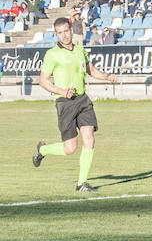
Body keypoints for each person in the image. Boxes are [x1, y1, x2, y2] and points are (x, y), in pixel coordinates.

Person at [32, 17, 119, 193]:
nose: (64, 35)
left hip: (83, 100)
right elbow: (42, 81)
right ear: (56, 34)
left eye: (66, 30)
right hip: (65, 103)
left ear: (71, 29)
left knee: (89, 138)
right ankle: (43, 149)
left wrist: (108, 77)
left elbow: (91, 70)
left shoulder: (80, 50)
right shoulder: (52, 54)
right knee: (70, 148)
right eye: (60, 33)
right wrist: (61, 91)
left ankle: (82, 184)